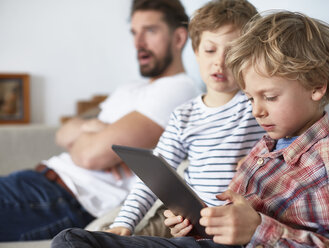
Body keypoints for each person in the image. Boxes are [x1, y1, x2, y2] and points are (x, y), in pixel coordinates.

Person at [52, 10, 329, 248]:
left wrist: (257, 229)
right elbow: (234, 222)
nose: (257, 110)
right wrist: (202, 225)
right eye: (250, 97)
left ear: (317, 87)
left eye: (269, 97)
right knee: (73, 240)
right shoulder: (265, 147)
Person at [58, 0, 265, 240]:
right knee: (87, 239)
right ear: (196, 52)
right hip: (188, 219)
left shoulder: (256, 104)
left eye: (232, 52)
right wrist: (124, 222)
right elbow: (152, 178)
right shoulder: (183, 116)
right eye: (210, 50)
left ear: (249, 55)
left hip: (233, 224)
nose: (219, 62)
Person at [0, 0, 199, 242]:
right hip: (38, 181)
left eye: (150, 30)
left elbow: (89, 156)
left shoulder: (178, 90)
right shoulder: (129, 89)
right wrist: (97, 129)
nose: (138, 43)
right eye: (134, 33)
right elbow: (62, 134)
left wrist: (91, 137)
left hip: (65, 198)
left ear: (179, 38)